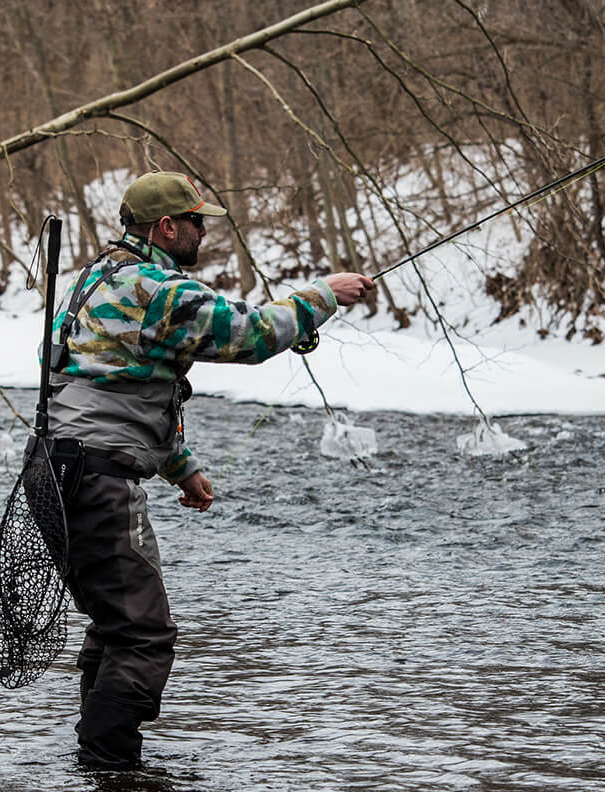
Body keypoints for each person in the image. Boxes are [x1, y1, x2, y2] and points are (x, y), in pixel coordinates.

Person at [46, 170, 374, 769]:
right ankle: (107, 766)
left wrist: (180, 466)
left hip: (54, 469)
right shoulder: (160, 289)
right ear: (167, 227)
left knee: (117, 622)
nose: (204, 231)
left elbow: (121, 380)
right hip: (98, 476)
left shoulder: (95, 277)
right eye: (197, 221)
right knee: (143, 635)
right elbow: (248, 336)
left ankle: (96, 757)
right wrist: (323, 296)